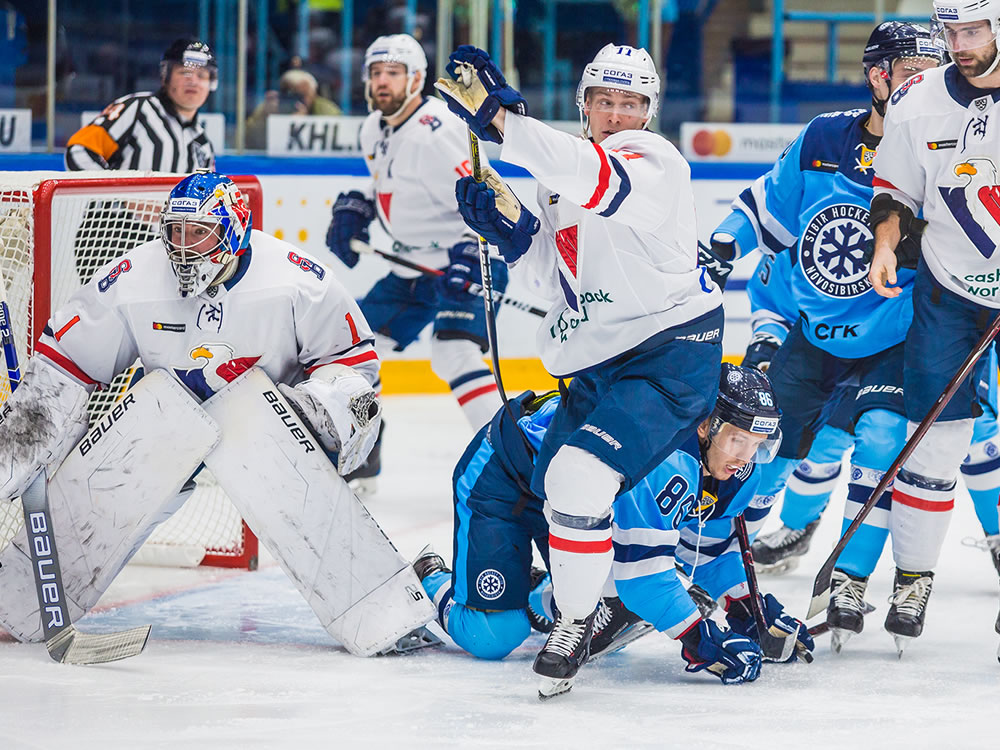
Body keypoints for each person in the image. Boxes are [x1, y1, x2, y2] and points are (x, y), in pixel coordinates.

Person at [0, 171, 419, 648]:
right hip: (167, 417)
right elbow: (66, 361)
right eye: (174, 232)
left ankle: (380, 612)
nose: (183, 247)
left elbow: (354, 367)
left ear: (233, 230)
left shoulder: (297, 279)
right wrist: (22, 440)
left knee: (267, 442)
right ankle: (16, 602)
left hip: (272, 426)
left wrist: (313, 416)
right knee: (136, 446)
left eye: (198, 232)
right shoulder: (135, 277)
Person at [436, 43, 724, 695]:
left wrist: (503, 122)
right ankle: (577, 609)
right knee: (558, 487)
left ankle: (572, 620)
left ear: (648, 112)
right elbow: (559, 272)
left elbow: (594, 177)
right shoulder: (562, 179)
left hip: (668, 354)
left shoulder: (655, 161)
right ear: (585, 105)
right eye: (605, 102)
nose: (617, 114)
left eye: (630, 104)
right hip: (596, 359)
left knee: (576, 473)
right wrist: (513, 234)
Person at [706, 22, 945, 652]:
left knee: (883, 439)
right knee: (764, 447)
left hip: (892, 339)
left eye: (933, 72)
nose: (926, 85)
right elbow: (767, 207)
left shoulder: (937, 150)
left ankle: (846, 574)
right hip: (812, 338)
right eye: (912, 72)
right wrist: (730, 238)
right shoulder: (823, 138)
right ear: (878, 78)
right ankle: (715, 553)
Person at [412, 364, 811, 696]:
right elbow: (644, 578)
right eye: (739, 440)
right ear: (706, 425)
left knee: (606, 603)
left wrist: (748, 608)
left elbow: (708, 552)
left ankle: (536, 591)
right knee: (492, 635)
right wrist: (700, 640)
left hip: (582, 504)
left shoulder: (735, 469)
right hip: (507, 478)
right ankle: (428, 576)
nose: (746, 458)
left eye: (758, 443)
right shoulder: (668, 457)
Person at [867, 0, 1000, 645]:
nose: (958, 44)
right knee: (937, 434)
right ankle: (914, 577)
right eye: (951, 32)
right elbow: (895, 190)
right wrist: (886, 242)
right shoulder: (916, 99)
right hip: (949, 289)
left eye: (972, 31)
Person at [325, 33, 508, 492]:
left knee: (454, 352)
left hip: (470, 259)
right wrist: (355, 208)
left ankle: (509, 464)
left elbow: (491, 194)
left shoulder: (438, 130)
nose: (382, 81)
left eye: (393, 72)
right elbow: (378, 181)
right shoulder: (373, 127)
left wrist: (471, 252)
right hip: (411, 271)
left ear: (417, 79)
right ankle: (364, 454)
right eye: (375, 72)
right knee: (352, 354)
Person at [65, 38, 217, 172]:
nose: (193, 81)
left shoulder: (203, 144)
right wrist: (114, 196)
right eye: (185, 72)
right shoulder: (137, 109)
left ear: (211, 84)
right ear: (166, 76)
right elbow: (79, 151)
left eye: (202, 76)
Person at [245, 69, 342, 150]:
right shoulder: (269, 107)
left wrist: (303, 126)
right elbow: (248, 142)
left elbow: (336, 143)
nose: (297, 101)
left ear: (314, 94)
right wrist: (265, 118)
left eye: (302, 95)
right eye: (291, 95)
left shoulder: (327, 110)